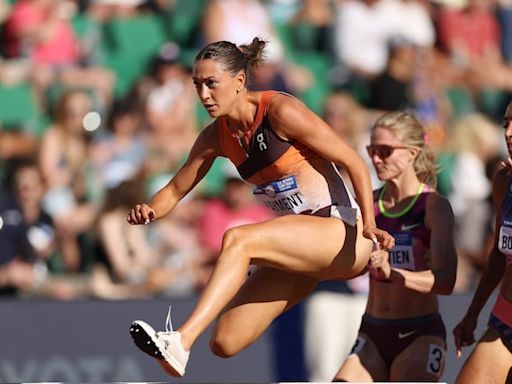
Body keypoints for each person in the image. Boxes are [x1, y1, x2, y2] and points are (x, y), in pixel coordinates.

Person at [126, 37, 394, 377]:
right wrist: (149, 210)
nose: (204, 95)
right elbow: (176, 189)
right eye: (197, 85)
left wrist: (369, 224)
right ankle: (187, 342)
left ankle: (180, 340)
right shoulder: (215, 137)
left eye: (211, 84)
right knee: (225, 341)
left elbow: (353, 161)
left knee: (239, 238)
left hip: (345, 235)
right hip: (302, 248)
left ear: (239, 82)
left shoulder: (280, 110)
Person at [334, 111, 457, 382]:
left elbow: (446, 280)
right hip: (372, 330)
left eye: (385, 151)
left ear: (412, 153)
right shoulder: (369, 205)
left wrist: (394, 273)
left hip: (419, 333)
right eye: (372, 150)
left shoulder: (434, 207)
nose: (376, 159)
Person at [452, 101, 512, 383]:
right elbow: (499, 255)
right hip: (504, 321)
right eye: (505, 125)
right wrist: (472, 313)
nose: (509, 133)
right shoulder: (503, 181)